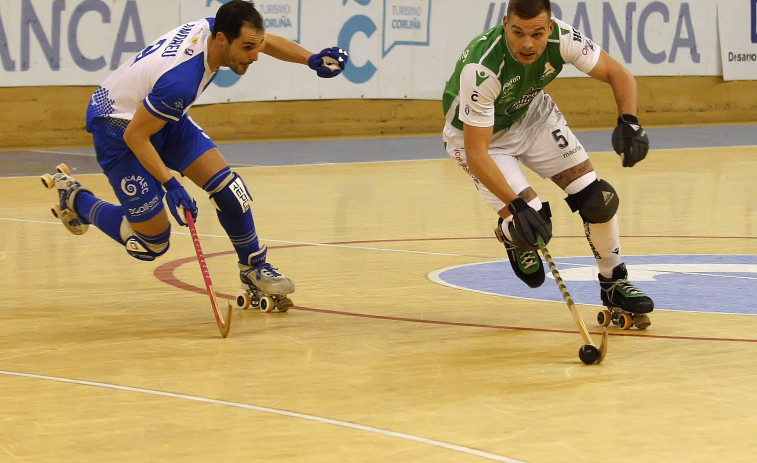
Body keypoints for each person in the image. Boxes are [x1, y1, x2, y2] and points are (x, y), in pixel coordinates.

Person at [43, 0, 348, 312]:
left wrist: (310, 59)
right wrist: (170, 184)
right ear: (221, 40)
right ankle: (76, 200)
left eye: (256, 47)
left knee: (230, 190)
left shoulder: (214, 28)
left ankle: (254, 268)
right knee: (150, 244)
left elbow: (265, 42)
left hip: (158, 114)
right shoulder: (181, 82)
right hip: (118, 128)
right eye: (247, 49)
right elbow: (136, 135)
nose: (255, 56)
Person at [442, 0, 654, 323]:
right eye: (518, 33)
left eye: (537, 34)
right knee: (533, 220)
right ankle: (511, 235)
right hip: (481, 140)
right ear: (505, 25)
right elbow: (477, 152)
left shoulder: (563, 39)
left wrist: (630, 121)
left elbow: (619, 73)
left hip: (532, 116)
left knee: (598, 199)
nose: (528, 44)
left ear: (550, 29)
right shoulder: (483, 68)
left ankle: (614, 282)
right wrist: (515, 205)